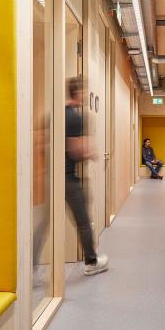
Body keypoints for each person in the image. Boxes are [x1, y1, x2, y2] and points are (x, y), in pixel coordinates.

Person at [65, 77, 109, 276]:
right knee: (83, 221)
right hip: (68, 178)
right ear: (78, 92)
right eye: (84, 91)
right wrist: (90, 152)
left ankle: (28, 266)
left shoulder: (60, 113)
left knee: (45, 223)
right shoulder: (75, 118)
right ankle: (91, 262)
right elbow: (75, 151)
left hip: (55, 177)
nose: (86, 95)